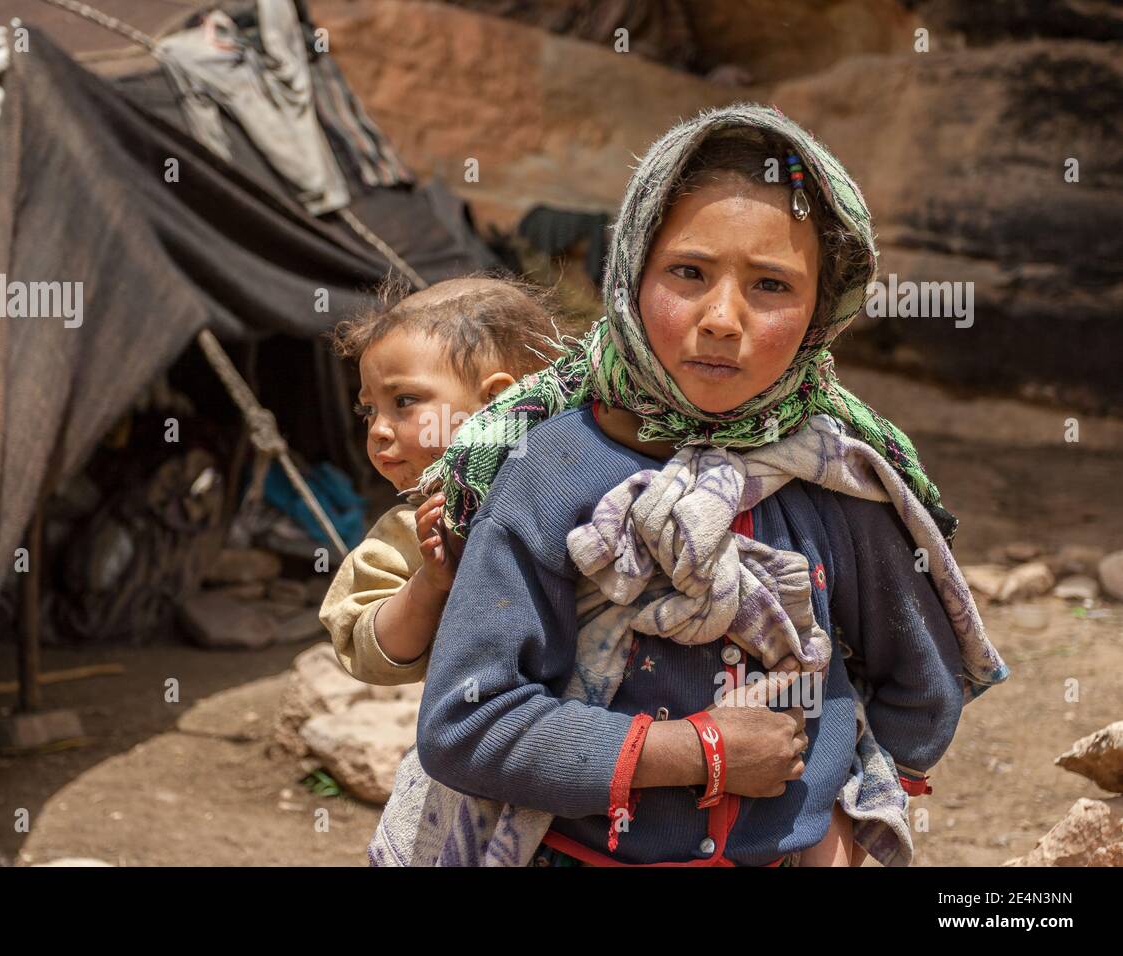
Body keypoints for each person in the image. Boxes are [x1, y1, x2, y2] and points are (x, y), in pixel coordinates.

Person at [395, 105, 1009, 867]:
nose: (722, 318)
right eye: (688, 273)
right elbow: (466, 722)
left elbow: (922, 683)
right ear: (631, 274)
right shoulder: (544, 470)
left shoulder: (844, 478)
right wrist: (698, 751)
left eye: (772, 285)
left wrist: (842, 819)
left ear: (825, 307)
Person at [318, 275, 557, 685]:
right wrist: (429, 584)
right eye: (368, 411)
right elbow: (369, 650)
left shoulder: (580, 484)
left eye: (403, 402)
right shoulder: (413, 534)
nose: (377, 430)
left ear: (498, 399)